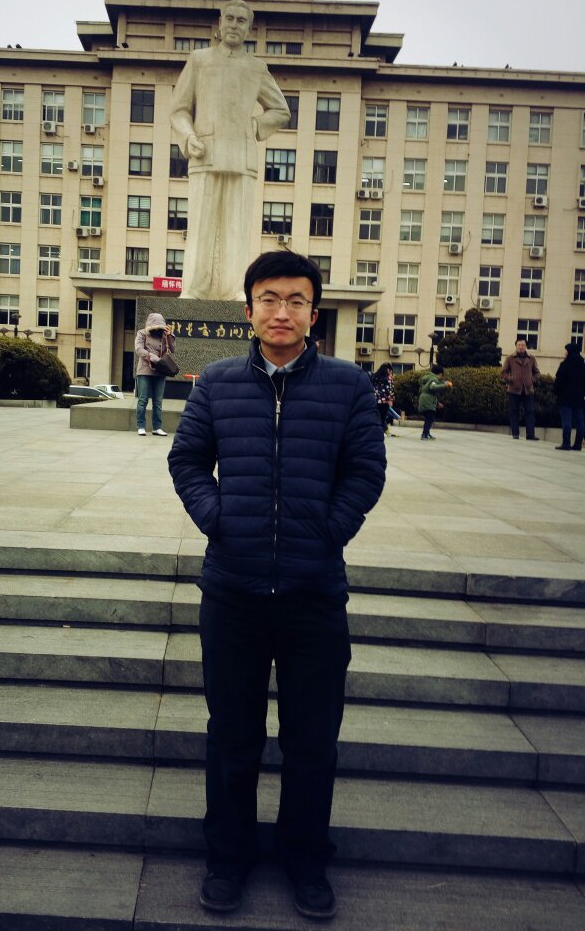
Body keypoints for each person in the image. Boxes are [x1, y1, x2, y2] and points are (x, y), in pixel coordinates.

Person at [168, 251, 386, 920]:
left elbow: (366, 470)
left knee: (312, 740)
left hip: (313, 594)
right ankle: (228, 859)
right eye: (269, 298)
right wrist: (220, 520)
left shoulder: (348, 385)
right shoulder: (217, 382)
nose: (281, 311)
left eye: (295, 299)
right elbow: (187, 460)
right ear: (249, 310)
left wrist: (328, 531)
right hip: (232, 592)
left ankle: (304, 859)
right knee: (232, 737)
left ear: (314, 313)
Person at [170, 0, 290, 301]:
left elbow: (280, 110)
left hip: (242, 156)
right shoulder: (200, 60)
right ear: (220, 23)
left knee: (237, 228)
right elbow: (179, 109)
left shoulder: (256, 68)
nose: (234, 25)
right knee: (200, 225)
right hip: (205, 152)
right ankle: (194, 288)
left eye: (241, 21)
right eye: (230, 18)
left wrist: (254, 126)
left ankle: (235, 287)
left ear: (249, 29)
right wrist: (188, 135)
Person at [134, 312, 175, 436]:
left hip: (160, 370)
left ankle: (157, 427)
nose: (157, 329)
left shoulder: (164, 335)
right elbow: (138, 349)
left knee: (158, 401)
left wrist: (169, 336)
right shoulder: (142, 333)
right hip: (145, 370)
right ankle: (141, 426)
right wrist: (152, 356)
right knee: (143, 399)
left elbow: (172, 350)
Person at [501, 339, 541, 440]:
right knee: (513, 412)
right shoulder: (510, 358)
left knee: (530, 412)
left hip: (528, 390)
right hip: (514, 389)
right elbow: (503, 372)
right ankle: (515, 433)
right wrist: (510, 379)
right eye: (519, 345)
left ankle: (530, 435)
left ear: (526, 346)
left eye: (523, 345)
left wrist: (533, 380)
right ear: (516, 346)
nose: (521, 347)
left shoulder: (531, 358)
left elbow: (537, 372)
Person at [553, 342, 585, 450]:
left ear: (570, 352)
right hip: (579, 398)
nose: (565, 353)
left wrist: (556, 392)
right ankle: (578, 444)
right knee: (580, 421)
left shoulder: (565, 364)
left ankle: (566, 443)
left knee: (567, 420)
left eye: (566, 351)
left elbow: (559, 381)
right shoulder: (583, 365)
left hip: (565, 397)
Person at [417, 364, 453, 440]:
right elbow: (433, 387)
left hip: (425, 400)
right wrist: (445, 385)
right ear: (440, 374)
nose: (441, 377)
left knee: (429, 418)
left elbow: (431, 393)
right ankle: (425, 434)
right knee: (429, 418)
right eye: (442, 375)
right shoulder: (433, 379)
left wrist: (437, 403)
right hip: (428, 402)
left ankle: (427, 433)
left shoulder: (429, 378)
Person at [371, 362, 395, 435]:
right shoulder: (388, 379)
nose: (391, 373)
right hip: (384, 401)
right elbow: (390, 390)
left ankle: (381, 430)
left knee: (376, 416)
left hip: (374, 400)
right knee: (383, 417)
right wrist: (390, 400)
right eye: (391, 371)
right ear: (388, 370)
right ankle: (383, 431)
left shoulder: (375, 377)